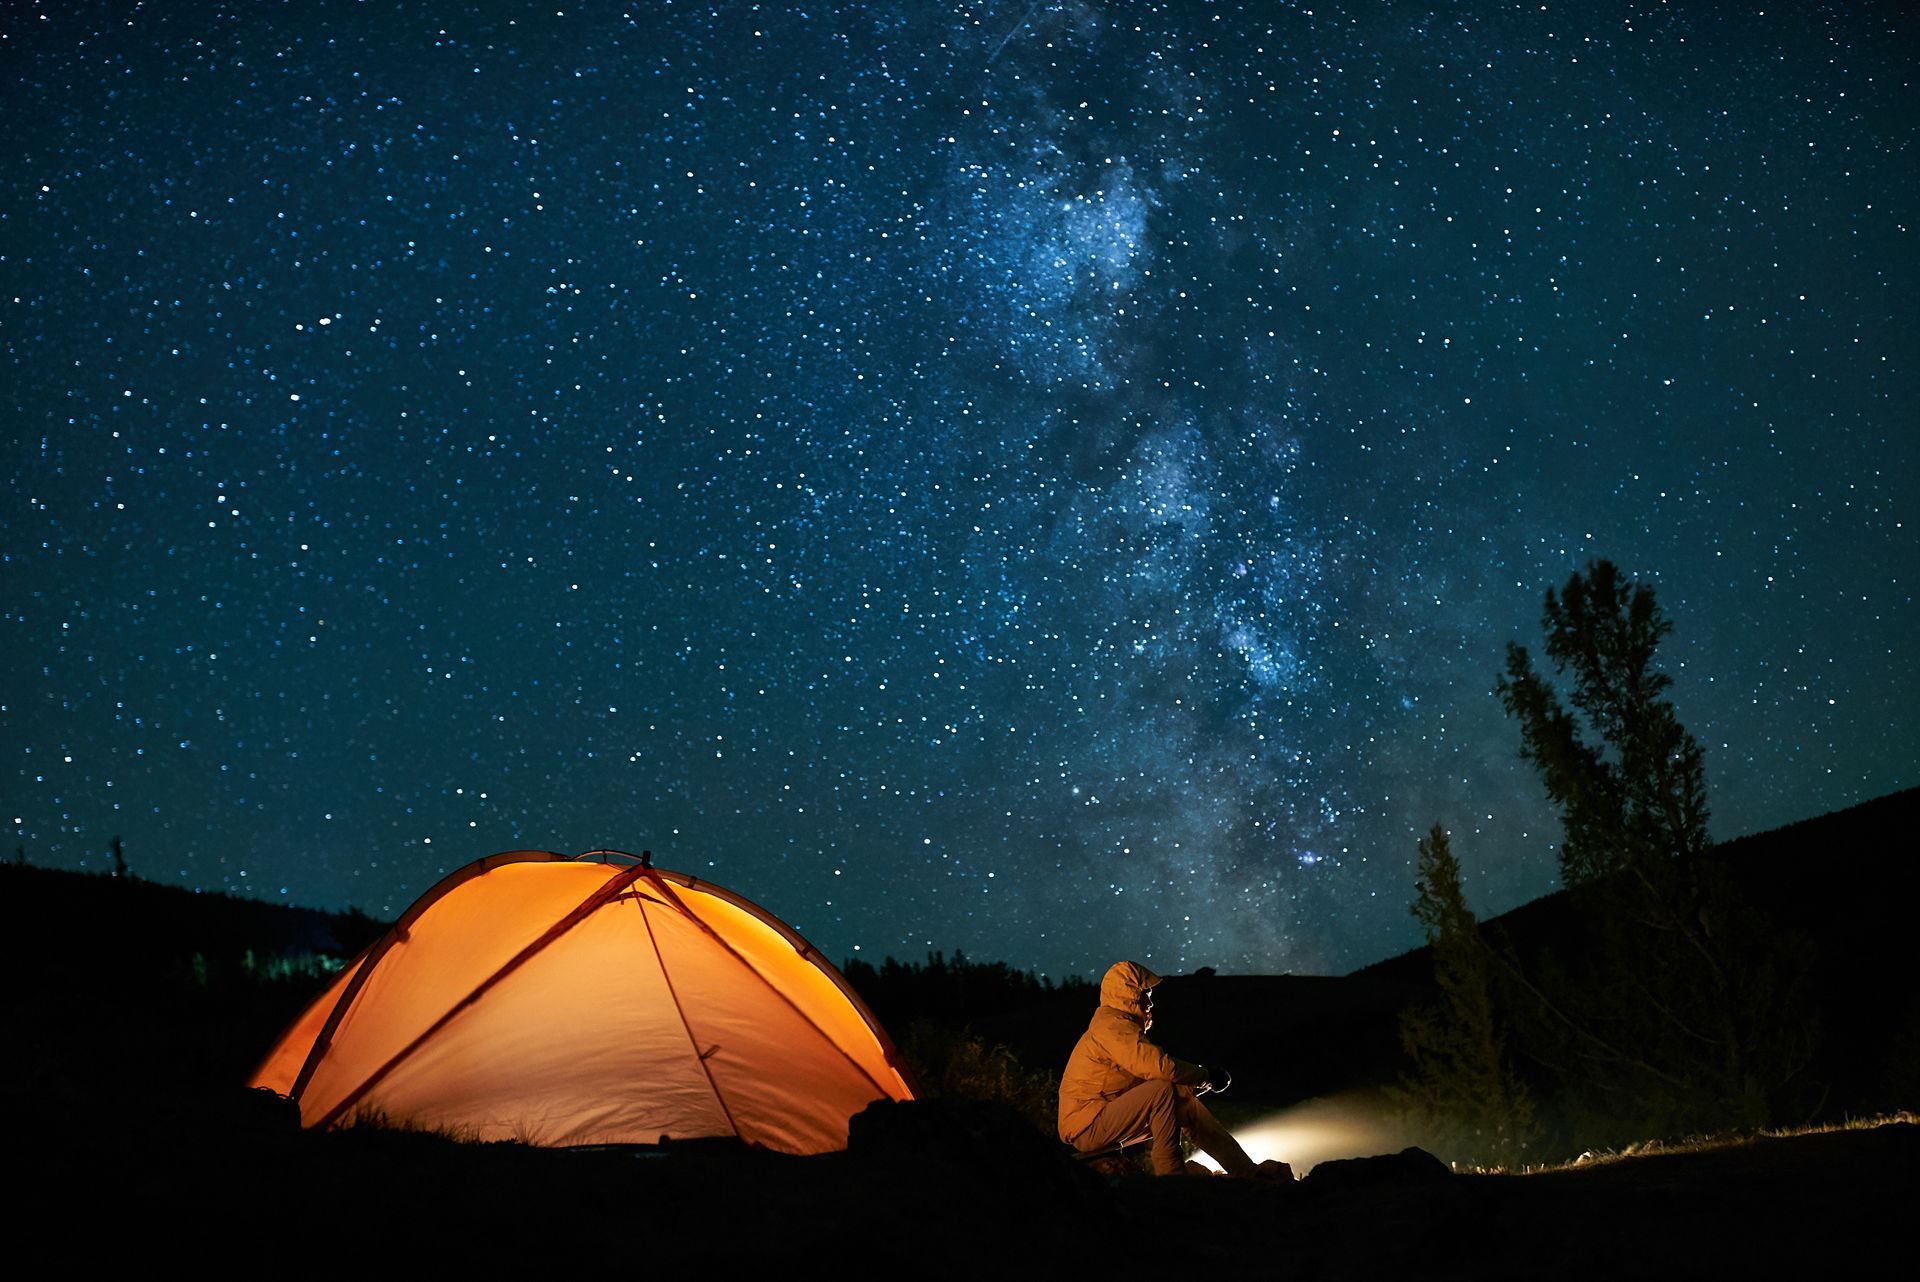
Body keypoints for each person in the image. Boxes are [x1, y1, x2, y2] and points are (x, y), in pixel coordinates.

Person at [1058, 960, 1265, 1177]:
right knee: (1162, 1090)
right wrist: (1206, 1076)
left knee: (1183, 1101)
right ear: (1127, 994)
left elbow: (1142, 1081)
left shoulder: (1118, 1026)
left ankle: (1246, 1171)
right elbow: (1158, 1066)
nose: (1150, 1002)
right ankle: (1172, 1174)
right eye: (1144, 993)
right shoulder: (1112, 1026)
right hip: (1087, 1128)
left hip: (1100, 1121)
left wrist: (1190, 1087)